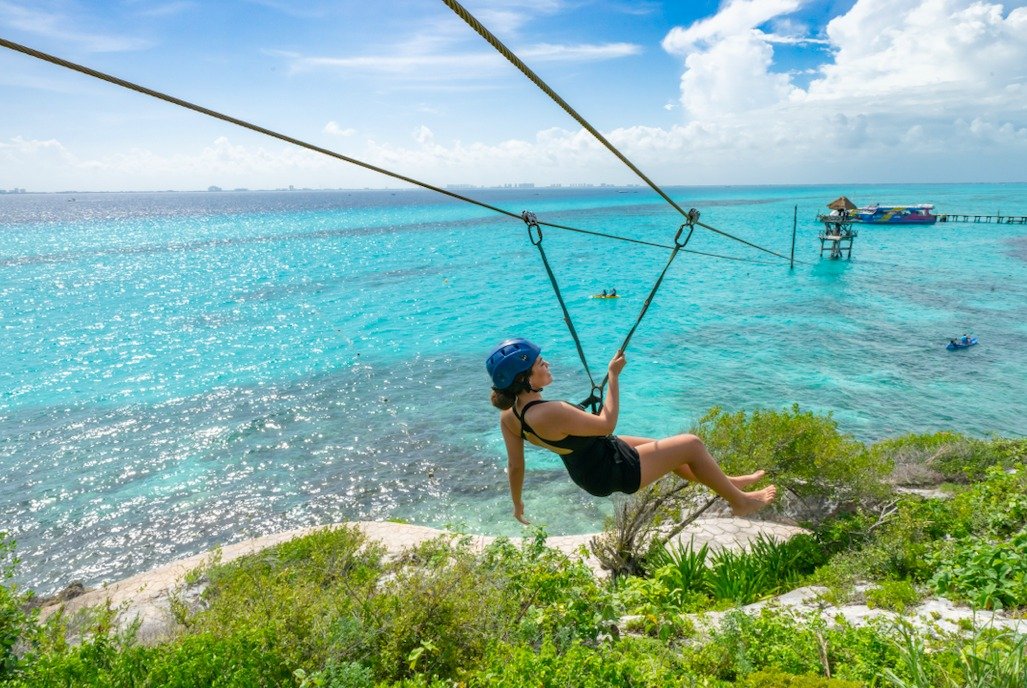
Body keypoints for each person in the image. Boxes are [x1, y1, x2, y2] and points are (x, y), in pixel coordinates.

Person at [485, 338, 776, 525]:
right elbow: (606, 424)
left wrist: (517, 502)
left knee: (670, 450)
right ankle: (740, 502)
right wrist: (613, 376)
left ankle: (730, 482)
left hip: (594, 462)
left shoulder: (510, 417)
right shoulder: (551, 410)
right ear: (524, 378)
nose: (546, 363)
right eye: (540, 363)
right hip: (612, 469)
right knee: (691, 445)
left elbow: (516, 467)